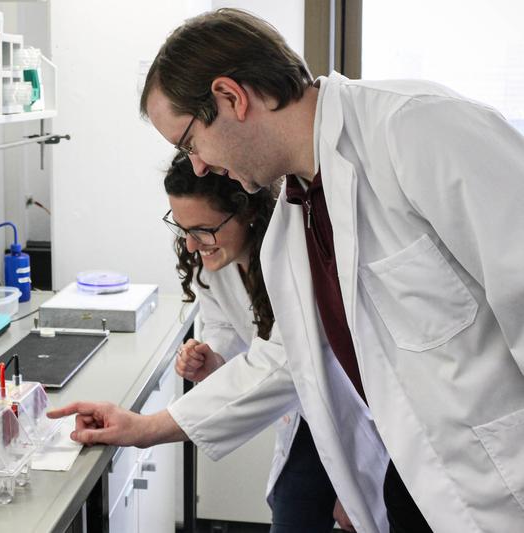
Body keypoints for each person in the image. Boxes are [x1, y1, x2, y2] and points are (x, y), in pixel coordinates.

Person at [49, 8, 524, 533]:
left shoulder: (416, 128)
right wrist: (145, 427)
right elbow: (287, 360)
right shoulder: (297, 219)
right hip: (424, 480)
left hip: (504, 480)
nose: (198, 165)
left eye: (189, 142)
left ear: (231, 97)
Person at [163, 154, 357, 532]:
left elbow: (288, 361)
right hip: (301, 416)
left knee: (353, 510)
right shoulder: (214, 262)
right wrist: (213, 357)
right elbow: (224, 324)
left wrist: (355, 484)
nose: (191, 244)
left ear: (246, 210)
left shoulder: (292, 256)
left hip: (347, 412)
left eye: (202, 229)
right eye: (183, 229)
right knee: (291, 512)